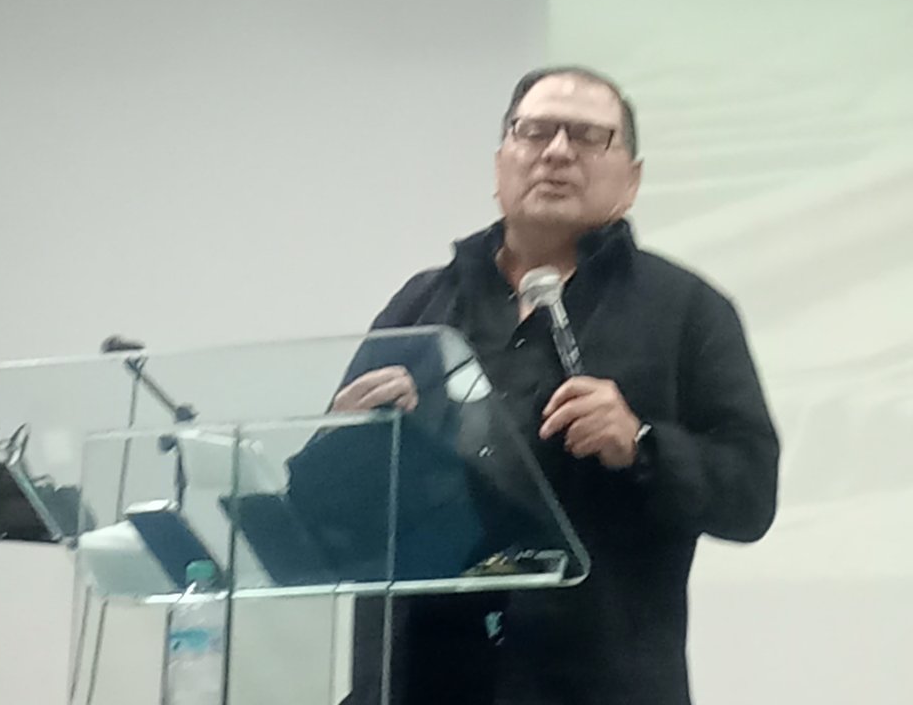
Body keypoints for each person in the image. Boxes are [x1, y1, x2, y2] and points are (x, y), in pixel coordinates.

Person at [332, 66, 780, 705]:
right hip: (418, 681)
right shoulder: (421, 305)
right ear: (500, 166)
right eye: (535, 131)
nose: (558, 152)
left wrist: (642, 444)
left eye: (589, 136)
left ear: (632, 180)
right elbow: (325, 514)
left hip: (597, 684)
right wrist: (347, 441)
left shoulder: (687, 310)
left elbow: (751, 495)